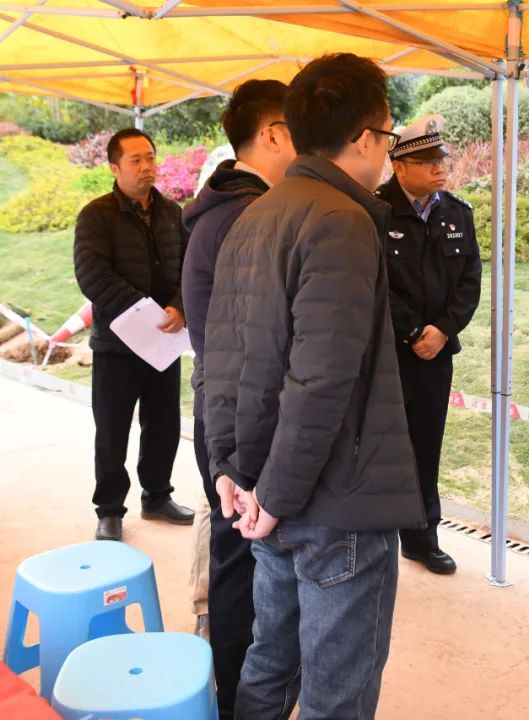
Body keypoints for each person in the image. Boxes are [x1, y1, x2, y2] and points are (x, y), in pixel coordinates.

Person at [203, 53, 424, 720]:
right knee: (336, 693)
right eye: (388, 136)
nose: (386, 152)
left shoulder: (253, 215)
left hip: (267, 486)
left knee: (270, 664)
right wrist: (271, 492)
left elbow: (218, 356)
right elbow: (322, 379)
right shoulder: (341, 219)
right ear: (363, 137)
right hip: (331, 499)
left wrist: (230, 469)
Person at [181, 78, 295, 719]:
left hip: (222, 409)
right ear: (273, 134)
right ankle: (236, 700)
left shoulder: (222, 207)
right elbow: (259, 343)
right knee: (243, 565)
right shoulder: (248, 216)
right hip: (240, 419)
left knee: (240, 558)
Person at [73, 127, 194, 543]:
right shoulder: (96, 215)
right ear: (114, 167)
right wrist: (143, 311)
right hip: (117, 345)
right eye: (135, 160)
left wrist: (179, 306)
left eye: (150, 157)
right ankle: (109, 510)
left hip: (165, 341)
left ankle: (157, 495)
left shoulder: (172, 213)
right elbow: (91, 274)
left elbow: (190, 267)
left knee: (163, 424)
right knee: (112, 430)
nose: (146, 167)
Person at [375, 113, 481, 575]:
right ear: (399, 167)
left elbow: (470, 281)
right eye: (427, 161)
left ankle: (421, 538)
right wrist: (413, 331)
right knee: (380, 446)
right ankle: (376, 538)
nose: (440, 167)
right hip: (388, 353)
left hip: (436, 354)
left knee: (425, 446)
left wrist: (443, 330)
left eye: (442, 158)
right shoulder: (375, 211)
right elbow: (374, 283)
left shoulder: (457, 213)